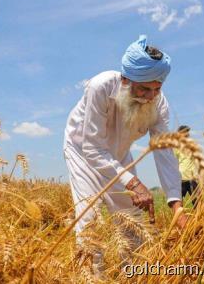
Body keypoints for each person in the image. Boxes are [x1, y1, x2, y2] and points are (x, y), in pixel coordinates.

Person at [63, 35, 187, 272]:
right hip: (82, 152)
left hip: (119, 158)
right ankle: (91, 276)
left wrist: (176, 205)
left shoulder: (158, 103)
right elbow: (92, 147)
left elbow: (164, 151)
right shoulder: (101, 86)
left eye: (157, 89)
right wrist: (133, 182)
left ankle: (133, 274)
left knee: (132, 220)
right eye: (144, 89)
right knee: (90, 222)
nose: (150, 97)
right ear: (125, 80)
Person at [174, 125, 198, 206]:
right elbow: (174, 161)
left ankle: (198, 218)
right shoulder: (176, 147)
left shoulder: (193, 145)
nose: (187, 134)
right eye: (185, 132)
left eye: (187, 132)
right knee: (179, 203)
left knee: (197, 203)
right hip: (182, 178)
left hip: (193, 178)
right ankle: (180, 218)